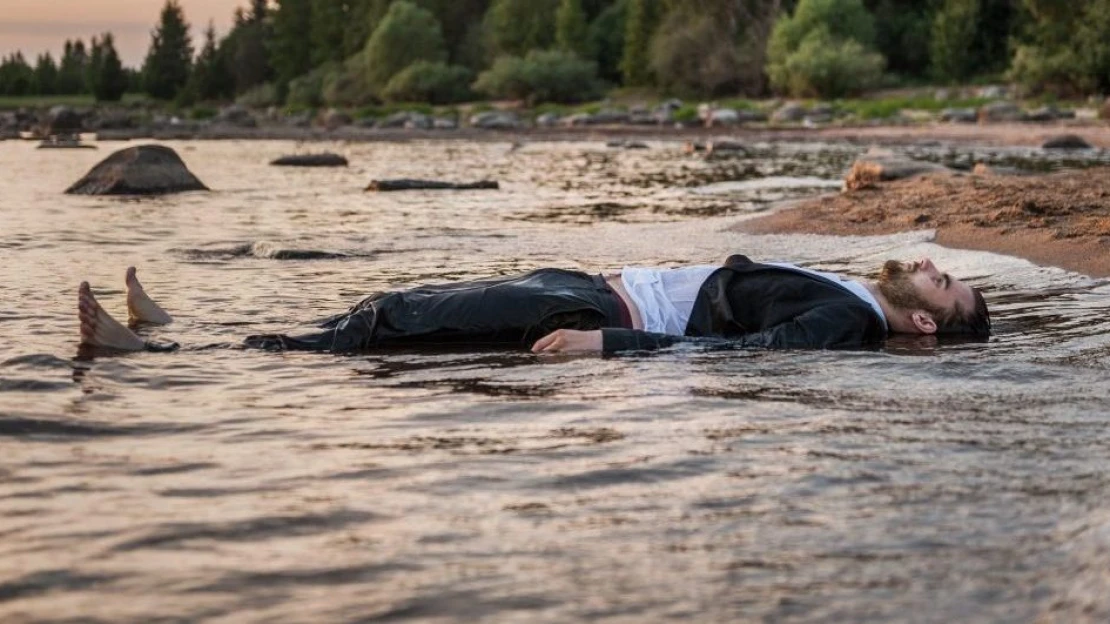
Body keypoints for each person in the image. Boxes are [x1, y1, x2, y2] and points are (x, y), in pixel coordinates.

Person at [78, 255, 990, 355]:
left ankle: (159, 358)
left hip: (602, 318)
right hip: (595, 286)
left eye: (943, 289)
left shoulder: (849, 323)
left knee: (401, 324)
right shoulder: (853, 289)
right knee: (401, 307)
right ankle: (185, 335)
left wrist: (610, 350)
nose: (929, 269)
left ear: (921, 322)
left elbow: (740, 354)